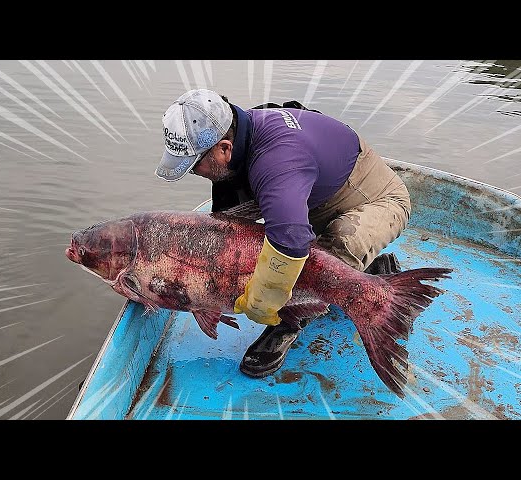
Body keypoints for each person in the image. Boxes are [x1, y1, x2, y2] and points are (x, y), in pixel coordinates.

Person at [154, 88, 411, 379]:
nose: (194, 172)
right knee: (256, 241)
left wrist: (262, 303)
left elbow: (291, 245)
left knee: (327, 252)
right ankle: (371, 268)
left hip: (375, 198)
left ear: (224, 148)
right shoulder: (238, 135)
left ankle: (286, 323)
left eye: (194, 165)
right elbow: (224, 227)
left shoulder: (276, 162)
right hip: (312, 191)